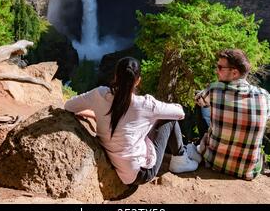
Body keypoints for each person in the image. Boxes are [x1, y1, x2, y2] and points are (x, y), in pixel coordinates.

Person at [64, 57, 198, 185]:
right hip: (139, 174)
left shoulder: (99, 94)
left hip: (116, 164)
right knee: (169, 120)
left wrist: (94, 114)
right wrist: (156, 112)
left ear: (115, 76)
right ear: (138, 80)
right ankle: (180, 159)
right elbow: (180, 113)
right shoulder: (145, 104)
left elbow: (69, 106)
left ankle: (181, 156)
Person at [187, 49, 270, 180]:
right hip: (248, 171)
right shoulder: (265, 96)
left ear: (235, 72)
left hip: (214, 163)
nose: (216, 70)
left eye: (220, 67)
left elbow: (198, 99)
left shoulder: (214, 89)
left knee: (202, 105)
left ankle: (201, 146)